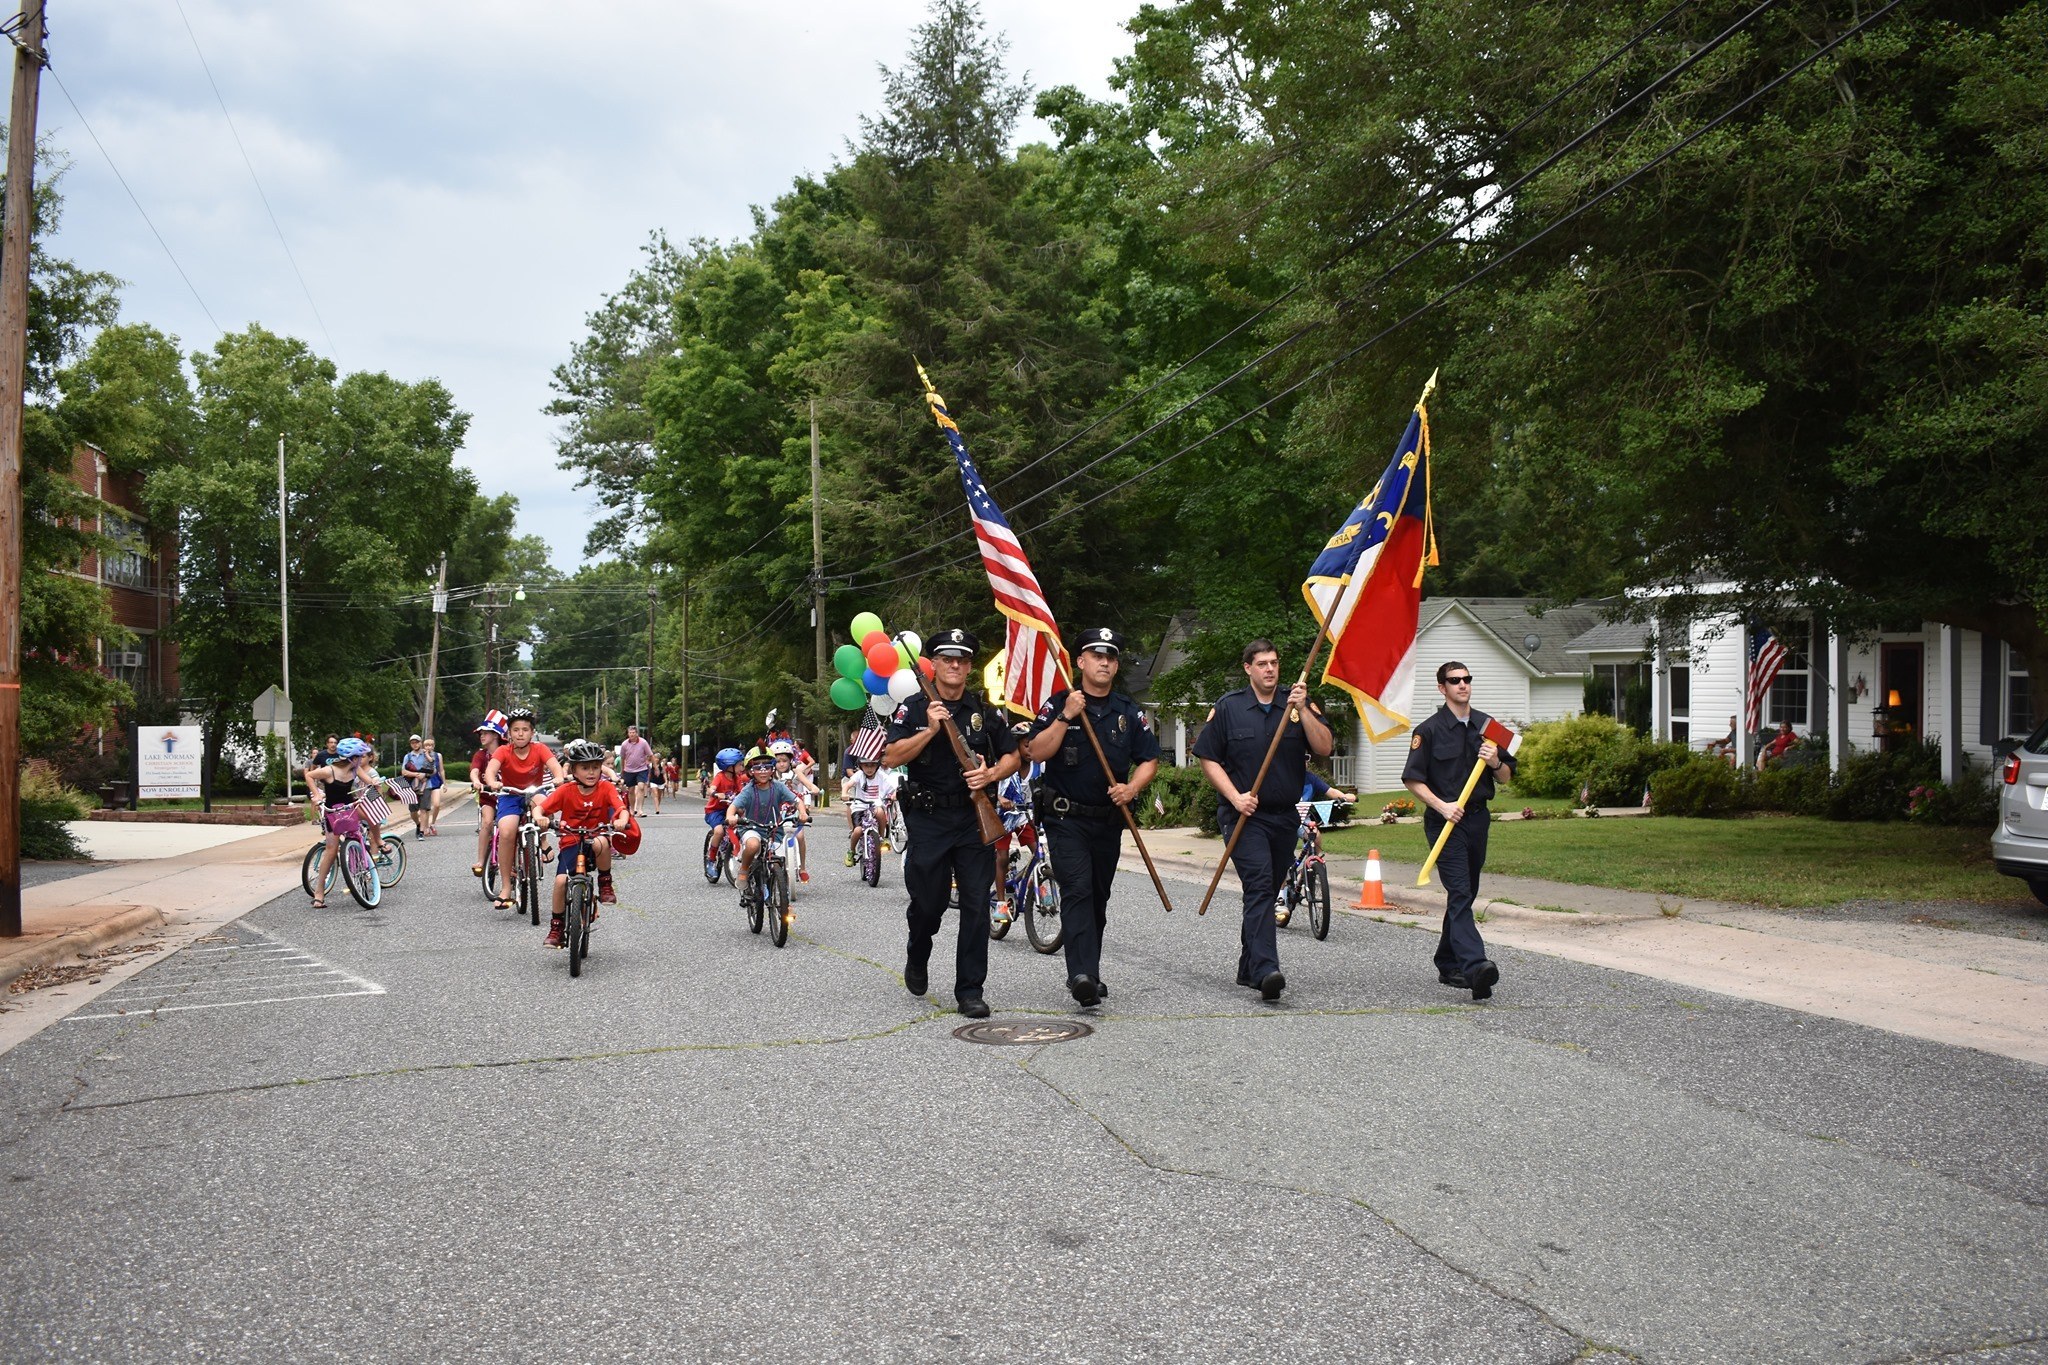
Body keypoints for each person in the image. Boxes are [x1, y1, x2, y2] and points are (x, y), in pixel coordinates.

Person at [883, 627, 1018, 1019]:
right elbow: (891, 756)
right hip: (928, 817)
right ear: (935, 665)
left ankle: (970, 990)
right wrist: (929, 730)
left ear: (969, 666)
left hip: (973, 819)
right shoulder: (912, 707)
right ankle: (918, 951)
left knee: (976, 904)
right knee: (929, 903)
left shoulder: (984, 711)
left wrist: (990, 775)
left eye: (962, 659)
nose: (955, 665)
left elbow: (1013, 756)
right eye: (947, 659)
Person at [1024, 627, 1160, 1006]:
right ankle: (1079, 975)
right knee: (1078, 890)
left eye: (1111, 657)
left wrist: (1131, 789)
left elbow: (1149, 760)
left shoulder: (1128, 712)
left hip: (1108, 820)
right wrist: (1067, 716)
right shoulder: (1058, 704)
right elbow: (1036, 751)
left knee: (1098, 896)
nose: (1104, 662)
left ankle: (1091, 972)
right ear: (1080, 662)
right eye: (1096, 655)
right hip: (1066, 819)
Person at [1192, 638, 1333, 1001]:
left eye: (1274, 662)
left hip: (1284, 816)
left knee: (1268, 891)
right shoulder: (1229, 708)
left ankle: (1248, 964)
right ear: (1248, 669)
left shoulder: (1297, 703)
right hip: (1244, 816)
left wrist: (1306, 709)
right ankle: (1267, 969)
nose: (1270, 669)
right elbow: (1207, 757)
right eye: (1262, 664)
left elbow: (1324, 747)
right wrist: (1235, 796)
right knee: (1258, 885)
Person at [1402, 660, 1516, 1001]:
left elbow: (1508, 775)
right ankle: (1475, 965)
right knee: (1461, 892)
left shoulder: (1488, 726)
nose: (1462, 685)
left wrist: (1495, 761)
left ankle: (1447, 961)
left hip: (1478, 819)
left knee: (1465, 893)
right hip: (1444, 822)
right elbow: (1412, 779)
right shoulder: (1429, 730)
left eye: (1467, 679)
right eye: (1454, 681)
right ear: (1442, 688)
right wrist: (1442, 806)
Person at [533, 739, 631, 948]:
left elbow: (620, 808)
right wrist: (539, 817)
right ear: (574, 770)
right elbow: (540, 810)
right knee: (560, 882)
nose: (591, 772)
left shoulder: (605, 788)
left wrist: (622, 819)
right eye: (585, 768)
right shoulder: (566, 791)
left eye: (595, 767)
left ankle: (605, 882)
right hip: (570, 840)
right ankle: (557, 927)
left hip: (595, 837)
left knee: (602, 841)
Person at [482, 708, 569, 912]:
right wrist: (493, 782)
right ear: (509, 734)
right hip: (510, 795)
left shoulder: (540, 749)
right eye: (516, 730)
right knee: (507, 831)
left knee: (545, 806)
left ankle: (544, 840)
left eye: (525, 729)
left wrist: (558, 777)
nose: (520, 733)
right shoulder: (503, 751)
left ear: (532, 732)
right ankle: (505, 888)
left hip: (534, 792)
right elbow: (490, 771)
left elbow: (555, 767)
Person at [1276, 770, 1355, 928]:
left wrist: (1345, 797)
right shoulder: (1283, 773)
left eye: (1306, 757)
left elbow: (1330, 791)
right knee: (1283, 858)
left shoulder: (1310, 777)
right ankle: (1281, 897)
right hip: (1283, 818)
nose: (1303, 760)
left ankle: (1311, 865)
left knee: (1315, 835)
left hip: (1302, 819)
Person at [302, 738, 375, 908]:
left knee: (372, 818)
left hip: (349, 807)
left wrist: (375, 783)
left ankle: (374, 843)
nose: (362, 759)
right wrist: (317, 795)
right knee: (332, 849)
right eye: (360, 756)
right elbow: (309, 776)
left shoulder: (355, 770)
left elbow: (368, 781)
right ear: (353, 758)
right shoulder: (329, 771)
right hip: (332, 812)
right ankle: (319, 892)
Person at [729, 750, 809, 892]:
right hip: (751, 828)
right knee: (753, 845)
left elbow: (797, 801)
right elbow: (733, 806)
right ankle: (744, 870)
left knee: (779, 861)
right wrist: (731, 817)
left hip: (773, 830)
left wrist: (802, 812)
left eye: (767, 766)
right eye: (757, 767)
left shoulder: (779, 787)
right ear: (750, 771)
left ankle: (780, 897)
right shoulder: (748, 790)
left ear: (773, 768)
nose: (763, 771)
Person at [769, 738, 818, 881]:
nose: (781, 764)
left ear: (790, 760)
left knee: (800, 836)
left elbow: (808, 784)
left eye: (784, 760)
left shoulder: (796, 772)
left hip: (793, 809)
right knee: (771, 837)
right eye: (778, 761)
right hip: (775, 811)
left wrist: (813, 789)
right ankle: (773, 865)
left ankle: (802, 867)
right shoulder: (770, 775)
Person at [841, 754, 900, 866]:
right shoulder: (859, 775)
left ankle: (882, 838)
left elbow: (892, 787)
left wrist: (894, 794)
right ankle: (851, 851)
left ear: (877, 766)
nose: (869, 769)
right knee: (857, 831)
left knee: (880, 812)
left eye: (872, 765)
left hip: (875, 804)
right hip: (859, 806)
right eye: (866, 765)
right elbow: (847, 785)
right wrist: (844, 793)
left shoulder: (881, 776)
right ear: (861, 766)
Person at [470, 712, 506, 878]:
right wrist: (476, 781)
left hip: (508, 796)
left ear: (495, 734)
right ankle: (480, 860)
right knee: (487, 821)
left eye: (485, 733)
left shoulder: (508, 751)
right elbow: (475, 770)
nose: (481, 736)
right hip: (488, 797)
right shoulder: (481, 755)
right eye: (480, 734)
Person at [617, 724, 655, 818]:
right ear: (628, 734)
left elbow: (650, 754)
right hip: (629, 769)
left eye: (633, 733)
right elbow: (622, 758)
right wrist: (622, 770)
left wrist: (655, 767)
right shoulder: (625, 744)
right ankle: (632, 809)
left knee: (641, 787)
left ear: (637, 733)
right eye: (630, 733)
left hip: (641, 768)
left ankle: (640, 810)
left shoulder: (643, 742)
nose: (632, 734)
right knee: (631, 790)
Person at [400, 735, 432, 840]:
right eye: (412, 743)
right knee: (413, 811)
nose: (415, 744)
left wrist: (424, 774)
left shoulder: (427, 754)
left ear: (420, 742)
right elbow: (404, 771)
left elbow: (433, 769)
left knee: (423, 809)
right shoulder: (408, 756)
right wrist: (416, 775)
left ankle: (421, 832)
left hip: (426, 785)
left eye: (417, 742)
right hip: (412, 786)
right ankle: (418, 824)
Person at [421, 738, 445, 835]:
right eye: (427, 745)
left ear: (433, 746)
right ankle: (425, 826)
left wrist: (444, 783)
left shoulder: (438, 755)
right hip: (425, 782)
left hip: (435, 782)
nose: (429, 747)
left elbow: (441, 770)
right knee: (426, 807)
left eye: (431, 745)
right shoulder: (421, 755)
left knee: (437, 804)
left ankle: (433, 823)